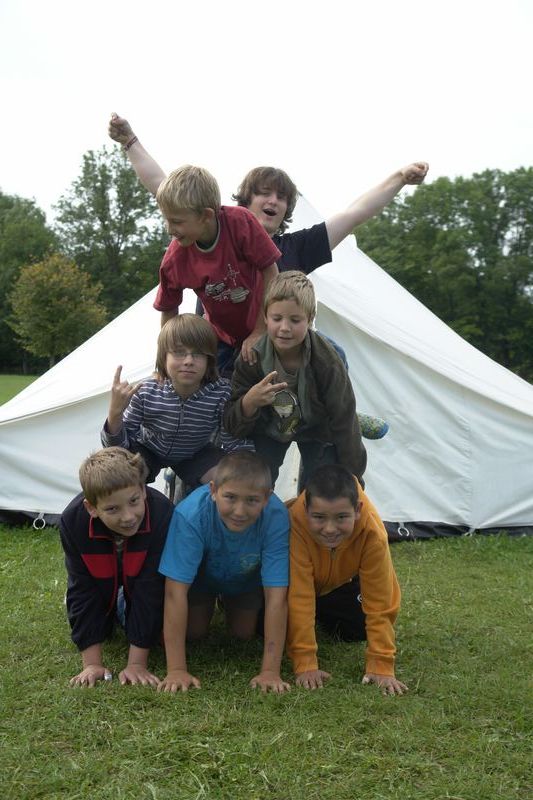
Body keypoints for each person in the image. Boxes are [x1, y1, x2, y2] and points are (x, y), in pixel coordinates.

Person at [108, 113, 428, 274]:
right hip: (219, 355)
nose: (273, 201)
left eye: (281, 197)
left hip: (273, 357)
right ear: (246, 201)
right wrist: (130, 142)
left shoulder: (298, 249)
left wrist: (399, 178)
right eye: (264, 193)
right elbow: (162, 185)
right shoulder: (217, 228)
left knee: (335, 354)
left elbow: (355, 213)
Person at [158, 451, 290, 694]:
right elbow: (174, 592)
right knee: (194, 632)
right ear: (213, 490)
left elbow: (276, 596)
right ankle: (210, 599)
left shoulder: (277, 516)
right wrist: (176, 669)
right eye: (230, 497)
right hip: (201, 580)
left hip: (245, 580)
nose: (239, 511)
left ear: (267, 498)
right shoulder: (190, 514)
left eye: (252, 500)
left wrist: (270, 671)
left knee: (243, 633)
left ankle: (228, 601)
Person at [223, 271, 367, 487]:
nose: (284, 328)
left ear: (310, 319)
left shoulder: (327, 361)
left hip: (318, 427)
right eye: (277, 318)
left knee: (326, 487)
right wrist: (249, 402)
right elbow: (231, 424)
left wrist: (354, 477)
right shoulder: (252, 358)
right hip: (269, 428)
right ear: (265, 317)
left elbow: (344, 417)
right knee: (254, 483)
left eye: (295, 320)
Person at [286, 463, 407, 695]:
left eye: (341, 517)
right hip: (299, 585)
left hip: (338, 586)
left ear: (358, 509)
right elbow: (299, 596)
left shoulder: (373, 533)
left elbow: (381, 600)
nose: (330, 529)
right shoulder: (294, 523)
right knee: (264, 624)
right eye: (319, 517)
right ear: (306, 509)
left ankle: (319, 616)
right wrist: (305, 664)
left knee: (357, 628)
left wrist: (381, 665)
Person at [60, 447, 174, 688]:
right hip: (101, 580)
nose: (128, 517)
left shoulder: (163, 513)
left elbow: (151, 588)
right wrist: (91, 664)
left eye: (134, 501)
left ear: (143, 490)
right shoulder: (72, 522)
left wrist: (137, 664)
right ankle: (116, 604)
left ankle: (122, 603)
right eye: (112, 509)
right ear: (91, 508)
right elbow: (82, 589)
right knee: (89, 596)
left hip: (143, 579)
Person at [101, 313, 251, 486]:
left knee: (229, 479)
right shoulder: (146, 391)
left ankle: (194, 497)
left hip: (195, 452)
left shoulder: (221, 393)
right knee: (125, 474)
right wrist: (115, 413)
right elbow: (118, 451)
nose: (189, 361)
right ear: (163, 358)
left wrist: (246, 468)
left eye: (198, 354)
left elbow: (233, 439)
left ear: (209, 360)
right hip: (148, 449)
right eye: (179, 353)